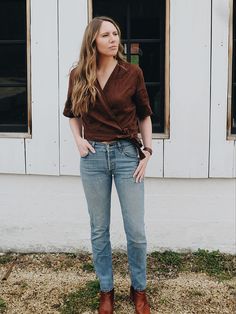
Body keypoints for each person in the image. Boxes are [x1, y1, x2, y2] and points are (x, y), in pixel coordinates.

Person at [63, 16, 152, 314]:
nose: (114, 39)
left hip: (128, 156)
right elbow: (73, 113)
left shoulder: (132, 73)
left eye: (116, 34)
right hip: (94, 159)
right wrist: (78, 140)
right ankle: (106, 290)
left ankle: (138, 288)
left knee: (136, 230)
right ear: (93, 41)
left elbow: (144, 115)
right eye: (106, 35)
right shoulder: (78, 75)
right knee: (99, 230)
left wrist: (148, 152)